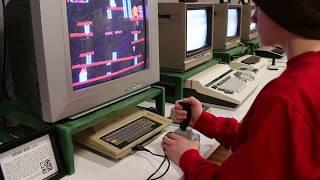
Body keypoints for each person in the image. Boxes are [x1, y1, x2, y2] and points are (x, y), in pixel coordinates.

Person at [162, 0, 320, 179]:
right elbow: (264, 140)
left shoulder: (285, 96)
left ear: (283, 13)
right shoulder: (309, 76)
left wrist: (187, 157)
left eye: (259, 8)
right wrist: (204, 121)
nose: (253, 16)